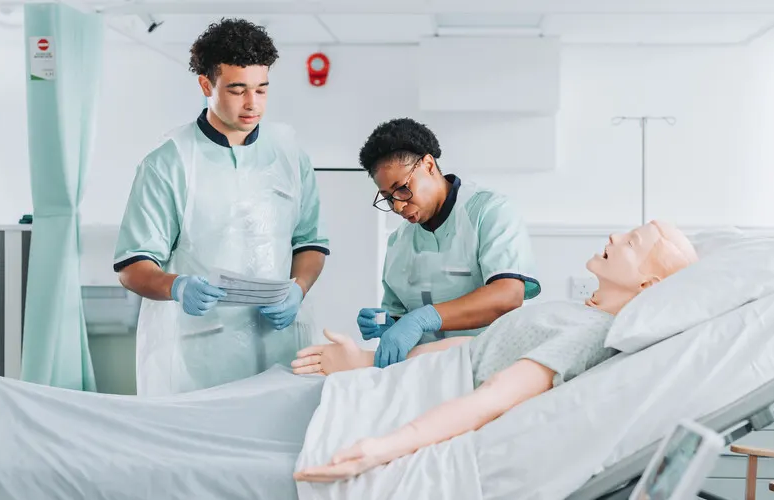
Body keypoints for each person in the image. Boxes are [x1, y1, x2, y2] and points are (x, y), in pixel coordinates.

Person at [292, 220, 699, 482]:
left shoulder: (592, 334)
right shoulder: (574, 312)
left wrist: (380, 449)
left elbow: (492, 396)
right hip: (405, 380)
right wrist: (366, 364)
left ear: (647, 286)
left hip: (418, 402)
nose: (614, 236)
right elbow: (477, 349)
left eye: (632, 242)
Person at [113, 18, 329, 396]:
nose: (252, 104)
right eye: (237, 90)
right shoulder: (169, 163)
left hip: (280, 351)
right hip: (197, 358)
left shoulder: (290, 155)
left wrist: (300, 286)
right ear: (206, 85)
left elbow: (310, 242)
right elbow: (133, 266)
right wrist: (177, 287)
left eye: (262, 90)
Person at [353, 118, 541, 368]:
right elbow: (400, 315)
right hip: (424, 371)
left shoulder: (490, 211)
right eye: (388, 198)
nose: (397, 206)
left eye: (402, 189)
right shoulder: (399, 242)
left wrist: (424, 318)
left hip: (492, 366)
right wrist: (390, 325)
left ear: (428, 165)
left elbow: (508, 295)